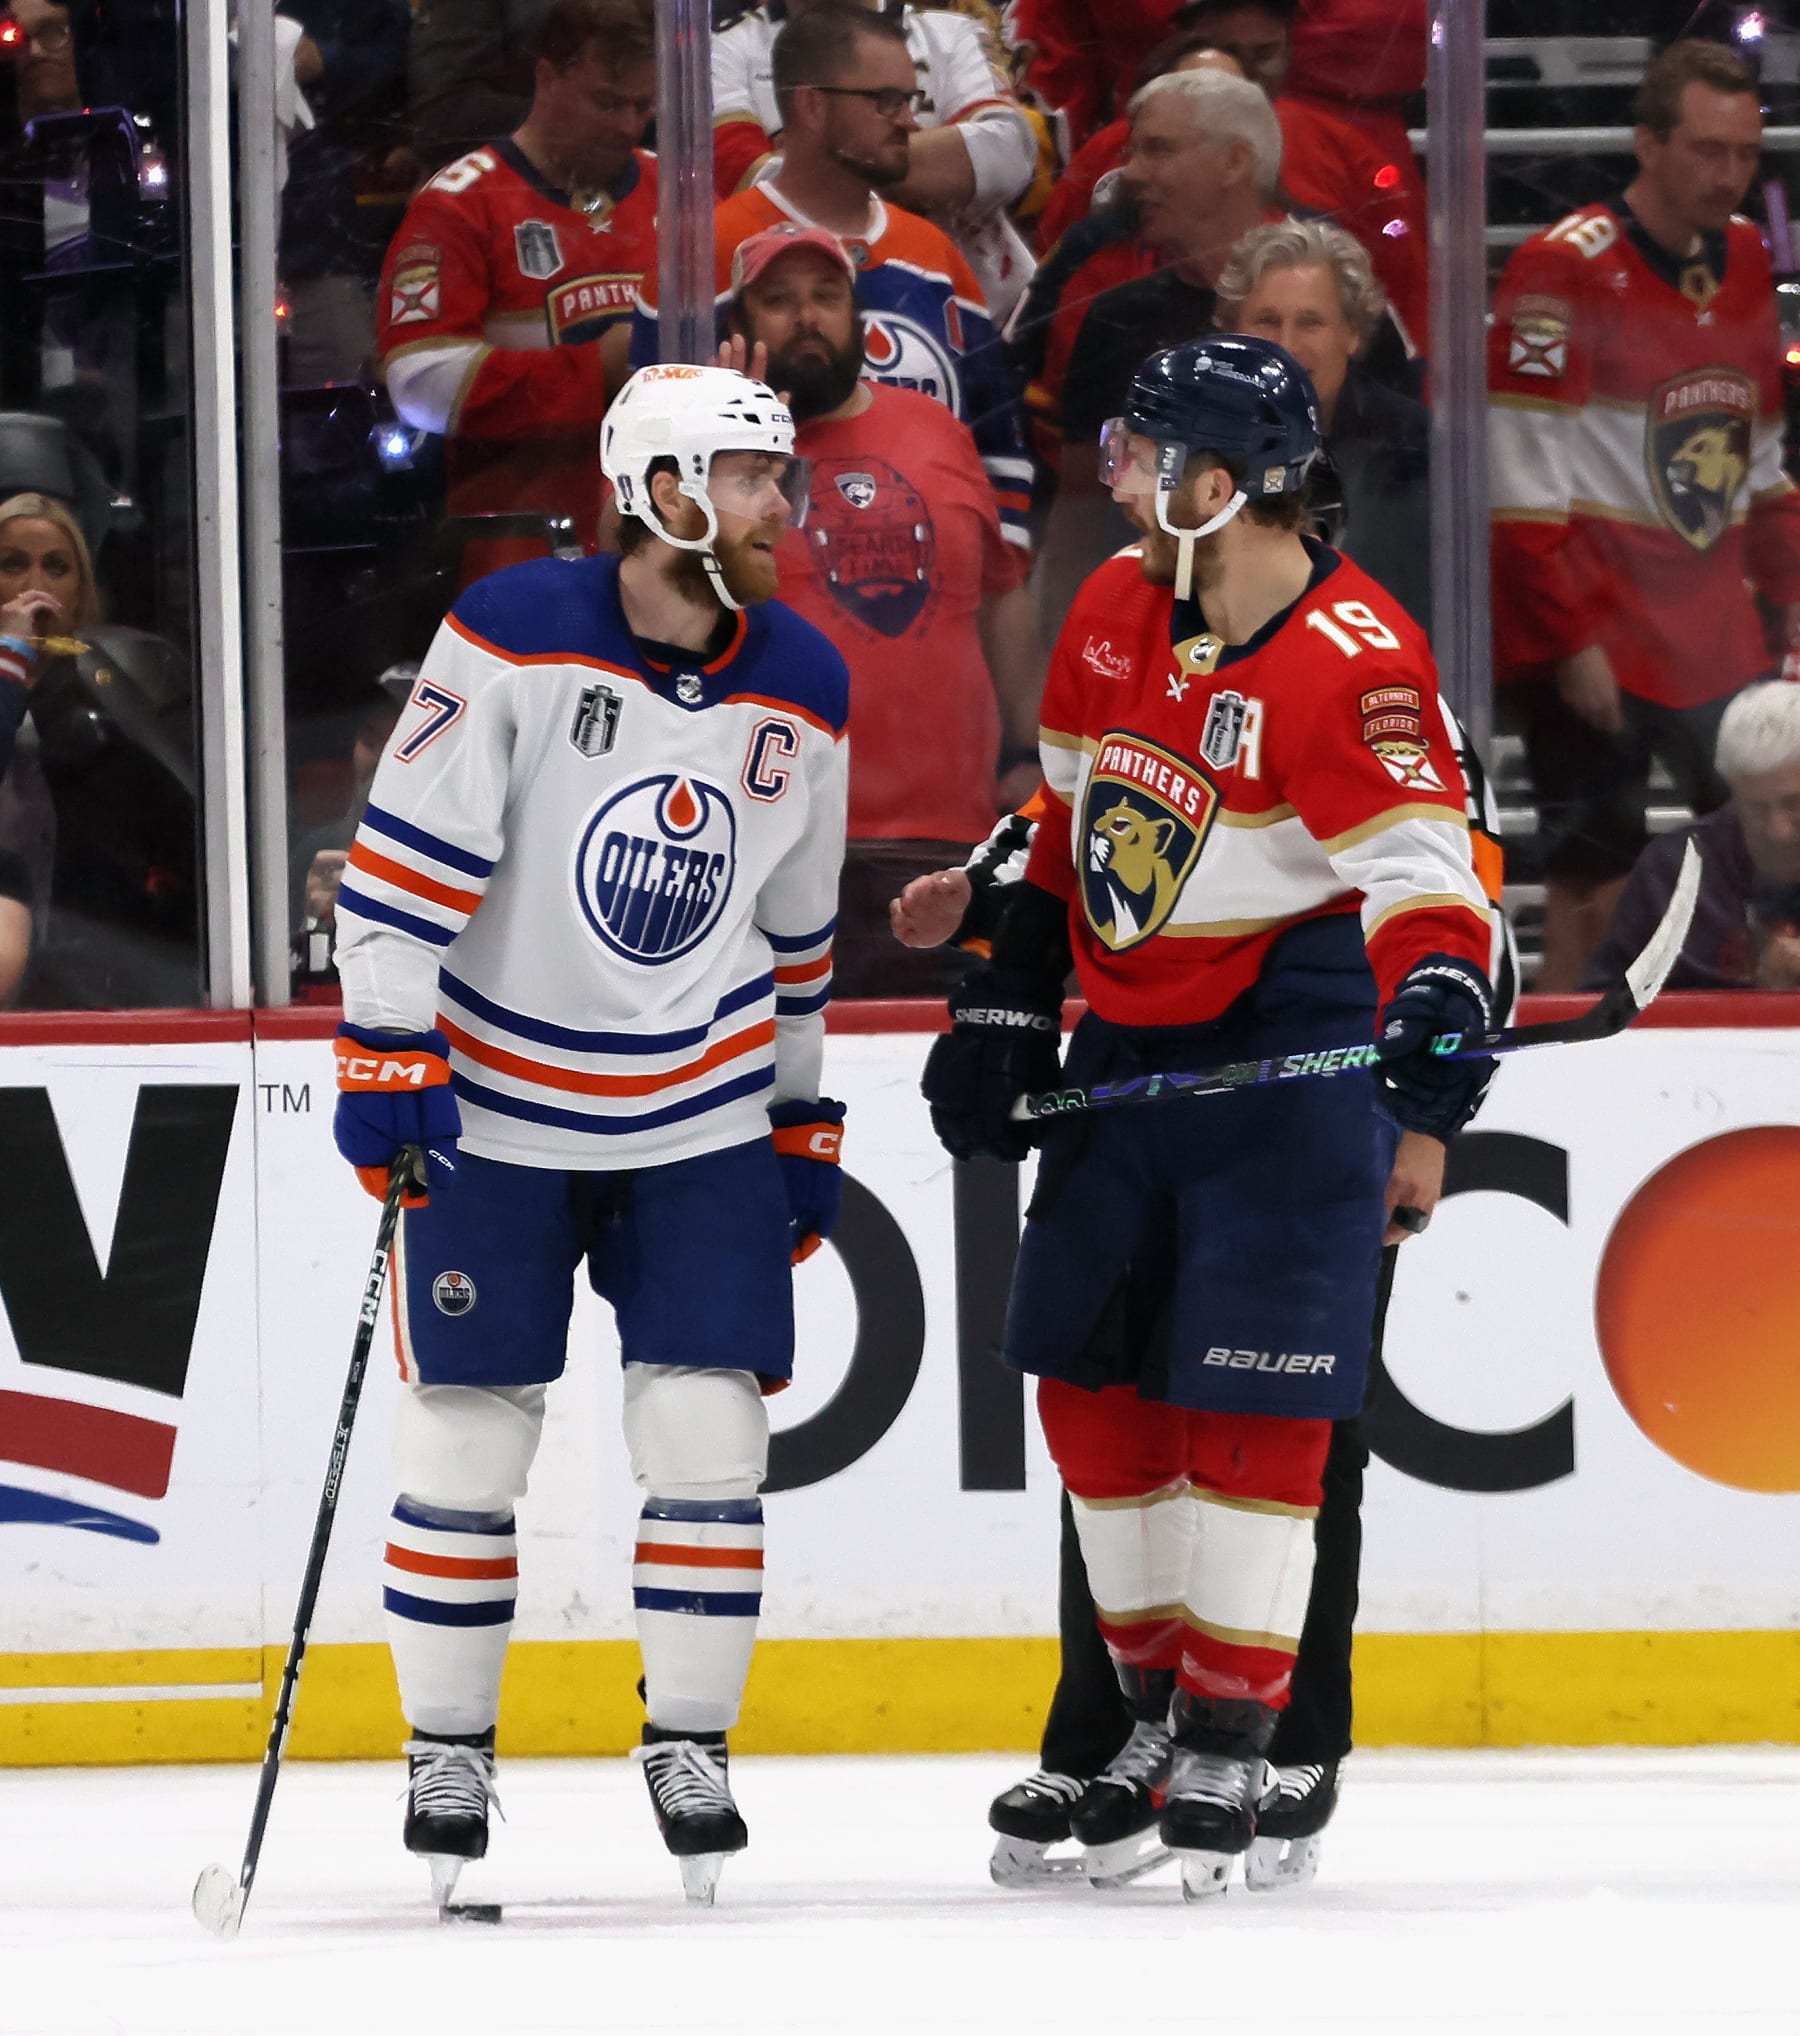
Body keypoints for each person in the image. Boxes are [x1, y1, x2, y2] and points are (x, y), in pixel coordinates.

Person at [920, 334, 1495, 1899]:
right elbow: (1066, 825)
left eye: (1141, 452)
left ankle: (1242, 1736)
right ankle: (1150, 1717)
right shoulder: (1115, 607)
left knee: (1263, 1410)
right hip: (1128, 1049)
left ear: (1221, 485)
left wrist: (1437, 1017)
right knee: (1090, 1389)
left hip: (1290, 1051)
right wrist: (1008, 993)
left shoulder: (1356, 660)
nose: (1114, 476)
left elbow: (1429, 882)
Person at [329, 363, 849, 1908]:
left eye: (779, 475)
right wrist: (387, 1046)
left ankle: (690, 1745)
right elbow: (398, 871)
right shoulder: (513, 633)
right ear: (662, 492)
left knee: (709, 1436)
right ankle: (447, 1751)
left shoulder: (806, 679)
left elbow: (799, 934)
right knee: (466, 1435)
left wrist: (799, 1108)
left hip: (698, 1110)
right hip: (496, 1107)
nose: (779, 505)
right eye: (748, 478)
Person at [1489, 37, 1800, 991]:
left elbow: (1763, 465)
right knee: (1594, 888)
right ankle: (1571, 1063)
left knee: (1770, 862)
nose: (1730, 175)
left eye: (1745, 153)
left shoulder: (1748, 256)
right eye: (1708, 150)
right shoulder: (1560, 269)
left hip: (1712, 636)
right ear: (1647, 143)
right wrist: (1572, 639)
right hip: (1597, 631)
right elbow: (1520, 486)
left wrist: (1791, 597)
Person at [723, 222, 1043, 993]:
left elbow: (999, 594)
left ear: (858, 317)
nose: (807, 317)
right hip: (778, 842)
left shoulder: (938, 430)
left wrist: (1027, 753)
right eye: (779, 301)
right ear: (740, 325)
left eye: (826, 296)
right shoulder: (713, 454)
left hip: (951, 841)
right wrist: (725, 447)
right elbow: (648, 578)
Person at [630, 3, 1034, 557]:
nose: (910, 123)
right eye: (885, 101)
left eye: (911, 100)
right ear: (813, 106)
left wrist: (997, 566)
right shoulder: (703, 255)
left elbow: (995, 441)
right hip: (768, 584)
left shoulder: (934, 252)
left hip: (935, 584)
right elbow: (646, 461)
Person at [376, 0, 657, 550]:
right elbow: (418, 383)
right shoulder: (460, 204)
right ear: (546, 78)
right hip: (522, 546)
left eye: (641, 105)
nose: (627, 126)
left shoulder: (676, 192)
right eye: (606, 103)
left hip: (665, 545)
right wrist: (593, 369)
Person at [1029, 68, 1279, 633]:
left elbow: (1379, 489)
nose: (1133, 173)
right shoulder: (1116, 319)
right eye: (1132, 152)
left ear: (1234, 161)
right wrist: (1061, 644)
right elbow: (1082, 506)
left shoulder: (1321, 311)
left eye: (1159, 150)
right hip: (1144, 631)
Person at [1034, 8, 1427, 344]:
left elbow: (1406, 319)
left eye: (1264, 52)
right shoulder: (1096, 231)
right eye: (1201, 92)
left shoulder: (1342, 161)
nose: (1136, 170)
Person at [710, 0, 1039, 322]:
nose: (904, 120)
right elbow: (750, 181)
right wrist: (929, 158)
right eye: (884, 102)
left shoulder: (947, 33)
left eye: (901, 101)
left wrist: (832, 153)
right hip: (808, 316)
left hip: (978, 310)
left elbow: (1009, 154)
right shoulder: (724, 49)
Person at [1217, 216, 1429, 627]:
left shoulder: (1415, 447)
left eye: (1310, 322)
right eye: (1266, 321)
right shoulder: (1187, 440)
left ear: (1352, 333)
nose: (1286, 346)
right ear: (1233, 334)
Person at [1585, 680, 1800, 993]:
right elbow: (1604, 1005)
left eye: (1795, 804)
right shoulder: (1673, 873)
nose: (1778, 830)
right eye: (1756, 808)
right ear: (1733, 796)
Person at [0, 487, 97, 1004]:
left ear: (79, 592)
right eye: (13, 565)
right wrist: (10, 656)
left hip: (83, 948)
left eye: (56, 567)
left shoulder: (109, 682)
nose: (34, 585)